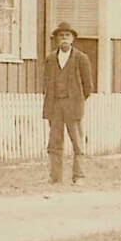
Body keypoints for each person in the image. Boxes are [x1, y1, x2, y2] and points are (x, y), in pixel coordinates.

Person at [42, 21, 93, 185]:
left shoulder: (81, 58)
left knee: (77, 142)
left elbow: (88, 86)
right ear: (56, 39)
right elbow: (46, 82)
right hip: (55, 106)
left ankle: (79, 176)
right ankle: (55, 178)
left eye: (67, 35)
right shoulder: (50, 59)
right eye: (61, 36)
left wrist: (77, 100)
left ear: (72, 39)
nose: (64, 38)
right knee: (54, 143)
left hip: (73, 106)